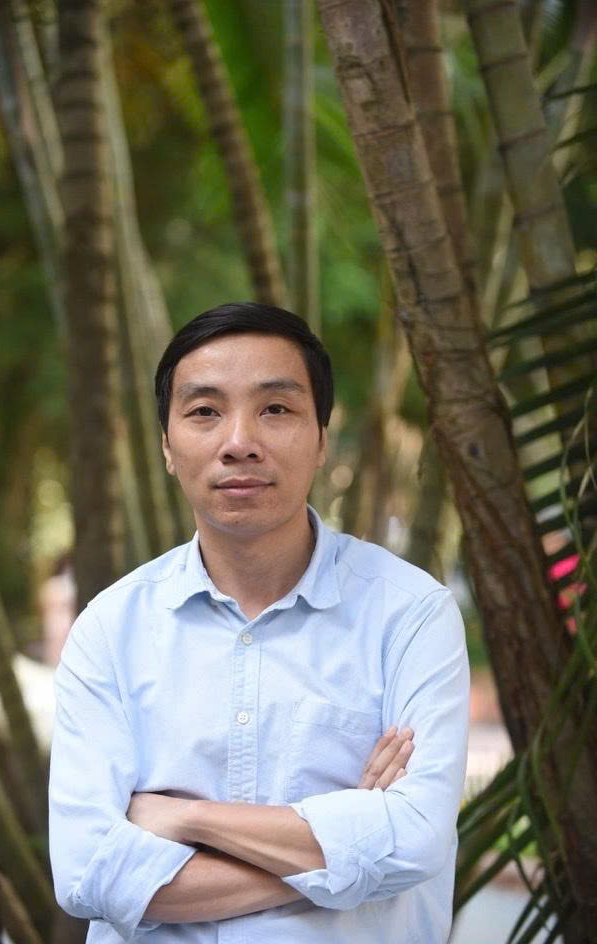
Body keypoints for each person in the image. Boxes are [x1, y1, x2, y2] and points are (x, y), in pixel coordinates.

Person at [49, 302, 469, 943]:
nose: (239, 442)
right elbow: (87, 873)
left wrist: (186, 819)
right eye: (204, 412)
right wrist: (349, 852)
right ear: (166, 446)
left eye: (275, 409)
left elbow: (416, 840)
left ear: (322, 439)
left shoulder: (410, 616)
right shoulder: (110, 630)